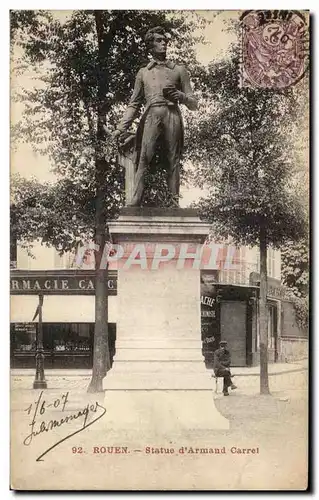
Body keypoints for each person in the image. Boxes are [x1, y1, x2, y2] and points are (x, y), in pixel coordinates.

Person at [113, 26, 198, 207]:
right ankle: (136, 200)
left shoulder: (179, 70)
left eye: (165, 41)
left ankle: (173, 201)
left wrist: (180, 96)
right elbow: (134, 104)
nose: (164, 43)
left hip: (172, 114)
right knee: (144, 157)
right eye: (159, 41)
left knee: (173, 158)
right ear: (150, 46)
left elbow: (194, 103)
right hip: (151, 115)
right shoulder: (143, 73)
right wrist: (121, 128)